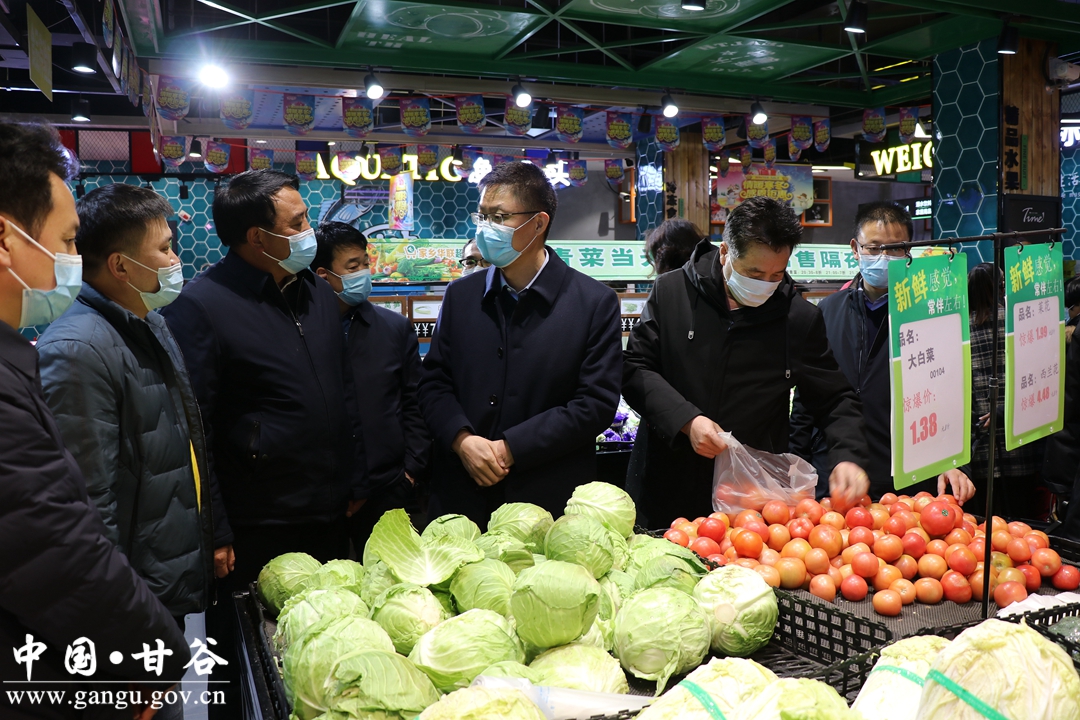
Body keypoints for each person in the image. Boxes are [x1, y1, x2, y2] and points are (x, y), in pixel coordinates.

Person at [0, 121, 189, 718]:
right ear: (5, 240)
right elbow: (57, 543)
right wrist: (147, 657)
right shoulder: (69, 350)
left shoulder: (149, 323)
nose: (71, 259)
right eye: (66, 239)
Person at [160, 169, 364, 717]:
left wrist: (355, 474)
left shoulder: (314, 289)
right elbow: (193, 424)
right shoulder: (201, 305)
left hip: (326, 511)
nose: (309, 232)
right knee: (246, 663)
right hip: (257, 519)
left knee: (323, 653)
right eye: (297, 223)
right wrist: (215, 528)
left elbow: (342, 387)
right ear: (257, 236)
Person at [623, 196, 871, 526]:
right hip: (665, 482)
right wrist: (686, 420)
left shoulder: (797, 319)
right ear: (725, 252)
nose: (765, 285)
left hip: (748, 497)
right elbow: (635, 368)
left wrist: (848, 456)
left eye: (776, 274)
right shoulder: (673, 292)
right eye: (754, 272)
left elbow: (835, 397)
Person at [37, 183, 217, 638]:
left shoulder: (149, 322)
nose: (175, 260)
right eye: (165, 248)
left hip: (161, 579)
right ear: (120, 265)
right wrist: (116, 612)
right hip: (129, 601)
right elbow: (86, 502)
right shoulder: (78, 349)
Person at [419, 161, 622, 525]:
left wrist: (511, 448)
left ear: (539, 224)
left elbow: (595, 404)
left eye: (499, 217)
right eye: (482, 216)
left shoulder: (594, 302)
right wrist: (462, 439)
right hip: (461, 493)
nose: (486, 228)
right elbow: (434, 382)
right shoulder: (461, 295)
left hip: (547, 499)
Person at [789, 202, 974, 505]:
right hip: (835, 475)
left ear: (908, 250)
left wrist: (957, 462)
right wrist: (795, 467)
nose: (884, 258)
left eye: (895, 248)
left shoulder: (930, 312)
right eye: (874, 248)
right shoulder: (827, 311)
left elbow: (954, 389)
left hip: (907, 480)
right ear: (855, 248)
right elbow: (807, 397)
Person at [314, 221, 431, 548]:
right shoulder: (302, 331)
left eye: (365, 263)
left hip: (389, 488)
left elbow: (415, 401)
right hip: (324, 494)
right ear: (323, 275)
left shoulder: (394, 328)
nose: (364, 273)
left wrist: (410, 472)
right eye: (353, 267)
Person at [967, 262, 1047, 518]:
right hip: (1020, 435)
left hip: (978, 441)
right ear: (1002, 287)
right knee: (1022, 520)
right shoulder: (1020, 322)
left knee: (983, 522)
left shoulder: (961, 329)